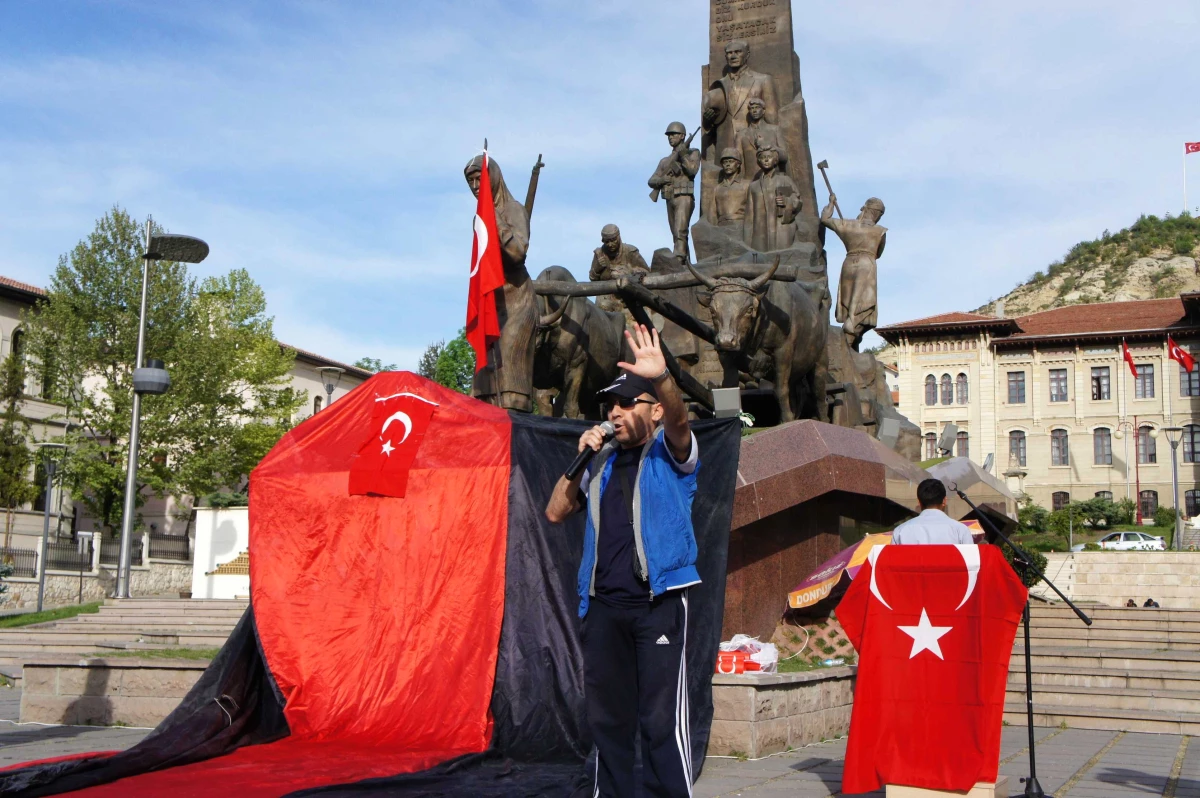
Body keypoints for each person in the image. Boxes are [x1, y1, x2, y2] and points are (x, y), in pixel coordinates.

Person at [545, 323, 700, 798]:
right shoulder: (602, 461)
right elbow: (555, 512)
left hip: (657, 604)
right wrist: (581, 457)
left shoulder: (671, 455)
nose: (615, 412)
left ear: (652, 411)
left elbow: (679, 421)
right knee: (608, 722)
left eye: (628, 403)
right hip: (604, 607)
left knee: (659, 724)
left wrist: (663, 378)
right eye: (611, 405)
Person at [820, 193, 886, 352]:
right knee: (862, 306)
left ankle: (850, 339)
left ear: (865, 209)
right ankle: (848, 335)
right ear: (877, 214)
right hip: (866, 267)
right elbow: (879, 253)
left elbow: (825, 219)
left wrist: (831, 204)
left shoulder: (848, 225)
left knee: (851, 304)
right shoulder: (880, 231)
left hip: (848, 265)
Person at [648, 121, 701, 262]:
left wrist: (683, 155)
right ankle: (685, 263)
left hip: (684, 196)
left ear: (683, 136)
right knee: (675, 234)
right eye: (669, 135)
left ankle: (678, 259)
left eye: (674, 134)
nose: (670, 138)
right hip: (670, 197)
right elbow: (651, 180)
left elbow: (692, 170)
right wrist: (662, 180)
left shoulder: (693, 153)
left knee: (680, 231)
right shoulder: (665, 161)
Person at [891, 478, 976, 545]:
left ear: (919, 502)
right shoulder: (960, 530)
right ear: (944, 501)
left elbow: (892, 564)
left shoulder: (900, 531)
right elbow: (971, 564)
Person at [589, 224, 649, 316]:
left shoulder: (630, 251)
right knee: (602, 308)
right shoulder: (599, 254)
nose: (610, 244)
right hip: (607, 297)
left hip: (630, 296)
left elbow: (647, 272)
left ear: (619, 237)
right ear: (603, 241)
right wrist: (597, 269)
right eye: (607, 241)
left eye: (613, 240)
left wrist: (630, 271)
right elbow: (593, 280)